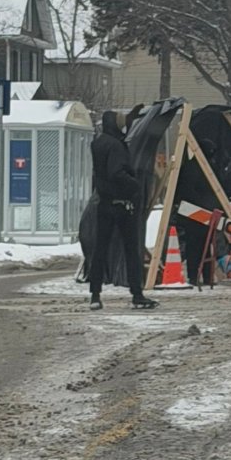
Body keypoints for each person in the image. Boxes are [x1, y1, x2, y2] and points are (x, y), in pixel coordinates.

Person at [89, 109, 158, 311]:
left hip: (104, 203)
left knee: (100, 250)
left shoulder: (98, 143)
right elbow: (116, 172)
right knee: (131, 250)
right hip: (123, 204)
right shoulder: (116, 146)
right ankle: (137, 294)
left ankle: (95, 293)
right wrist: (134, 185)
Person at [175, 138, 222, 288]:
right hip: (197, 213)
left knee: (197, 246)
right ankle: (202, 276)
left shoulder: (192, 167)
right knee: (202, 246)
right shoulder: (203, 168)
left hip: (195, 213)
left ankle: (196, 276)